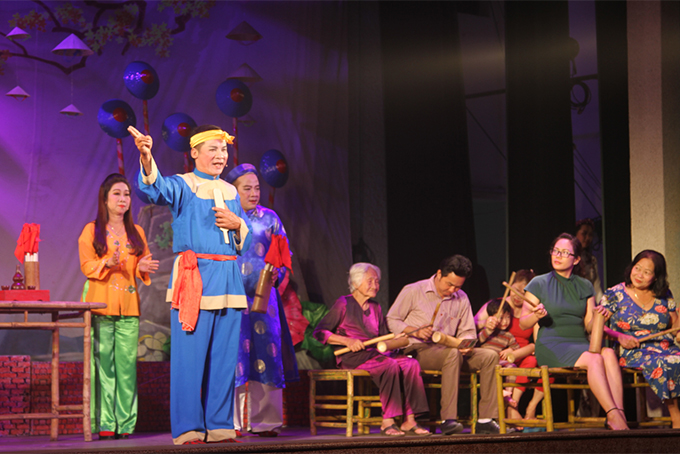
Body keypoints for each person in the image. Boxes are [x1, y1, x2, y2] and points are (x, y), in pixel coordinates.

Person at [129, 124, 252, 445]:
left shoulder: (230, 191)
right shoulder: (183, 185)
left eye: (223, 150)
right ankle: (188, 429)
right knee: (190, 358)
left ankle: (220, 426)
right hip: (194, 276)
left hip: (228, 278)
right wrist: (146, 157)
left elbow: (242, 241)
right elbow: (153, 190)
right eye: (212, 149)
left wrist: (239, 224)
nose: (219, 156)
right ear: (194, 152)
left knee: (225, 359)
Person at [78, 173, 159, 440]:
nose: (123, 199)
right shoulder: (92, 230)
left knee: (126, 368)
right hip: (100, 307)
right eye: (117, 194)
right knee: (104, 367)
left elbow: (141, 264)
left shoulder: (137, 232)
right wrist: (106, 263)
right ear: (105, 198)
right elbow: (87, 266)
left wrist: (141, 267)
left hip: (129, 308)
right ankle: (105, 422)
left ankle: (125, 424)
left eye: (126, 194)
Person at [520, 233, 629, 430]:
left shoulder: (584, 285)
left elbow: (588, 325)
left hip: (579, 343)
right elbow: (523, 324)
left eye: (564, 252)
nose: (557, 256)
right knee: (595, 359)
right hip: (551, 344)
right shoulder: (539, 282)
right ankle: (612, 415)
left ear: (576, 259)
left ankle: (618, 413)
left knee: (609, 354)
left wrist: (599, 316)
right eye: (555, 251)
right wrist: (536, 315)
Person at [386, 255, 500, 435]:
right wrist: (414, 330)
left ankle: (485, 419)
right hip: (418, 349)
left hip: (450, 349)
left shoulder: (461, 298)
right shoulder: (414, 290)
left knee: (490, 356)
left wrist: (467, 343)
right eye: (449, 284)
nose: (452, 289)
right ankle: (449, 419)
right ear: (439, 274)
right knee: (452, 355)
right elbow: (392, 319)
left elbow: (468, 331)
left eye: (458, 286)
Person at [314, 263, 430, 436]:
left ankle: (410, 420)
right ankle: (388, 421)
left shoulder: (376, 307)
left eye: (377, 281)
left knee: (410, 364)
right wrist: (347, 341)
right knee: (389, 365)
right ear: (356, 282)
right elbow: (320, 332)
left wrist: (394, 340)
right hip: (353, 357)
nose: (375, 285)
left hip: (375, 354)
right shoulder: (343, 303)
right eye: (370, 281)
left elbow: (383, 337)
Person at [226, 164, 299, 437]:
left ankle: (266, 421)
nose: (254, 193)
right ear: (234, 190)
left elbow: (284, 254)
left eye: (257, 188)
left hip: (263, 297)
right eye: (248, 188)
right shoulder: (224, 215)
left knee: (266, 354)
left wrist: (278, 277)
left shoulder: (269, 218)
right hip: (231, 295)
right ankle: (230, 423)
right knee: (234, 356)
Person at [600, 250, 680, 428]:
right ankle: (677, 419)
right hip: (634, 350)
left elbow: (675, 327)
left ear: (656, 277)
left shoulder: (664, 294)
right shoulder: (615, 294)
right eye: (637, 268)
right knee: (664, 362)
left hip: (666, 345)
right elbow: (596, 326)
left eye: (647, 272)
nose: (639, 275)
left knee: (673, 358)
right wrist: (619, 336)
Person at [474, 270, 544, 424]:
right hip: (498, 355)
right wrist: (487, 324)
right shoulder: (499, 305)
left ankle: (514, 404)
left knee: (537, 361)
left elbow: (538, 340)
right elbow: (473, 324)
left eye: (523, 293)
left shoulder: (531, 309)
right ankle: (510, 409)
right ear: (510, 286)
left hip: (521, 354)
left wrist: (519, 351)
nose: (517, 296)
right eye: (515, 290)